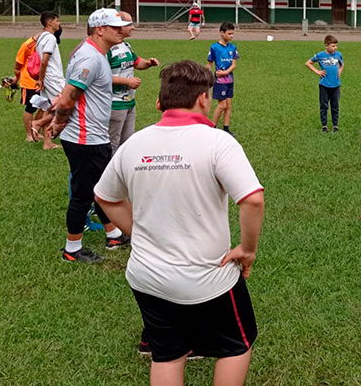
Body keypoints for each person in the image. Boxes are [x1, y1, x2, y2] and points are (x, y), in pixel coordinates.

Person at [94, 60, 265, 386]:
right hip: (207, 277)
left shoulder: (134, 144)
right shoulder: (217, 142)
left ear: (160, 102)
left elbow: (105, 197)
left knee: (167, 353)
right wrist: (247, 249)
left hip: (147, 278)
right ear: (203, 98)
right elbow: (252, 199)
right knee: (235, 346)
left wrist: (139, 234)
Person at [48, 8, 130, 264]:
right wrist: (58, 123)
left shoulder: (95, 54)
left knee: (101, 187)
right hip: (85, 139)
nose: (122, 31)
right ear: (99, 30)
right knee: (84, 194)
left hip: (93, 137)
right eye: (115, 27)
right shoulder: (90, 58)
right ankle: (72, 249)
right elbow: (68, 97)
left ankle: (114, 234)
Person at [108, 11, 160, 153]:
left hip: (130, 102)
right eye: (129, 24)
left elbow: (136, 62)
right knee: (112, 143)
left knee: (127, 143)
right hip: (114, 104)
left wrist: (148, 63)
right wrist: (126, 81)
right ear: (119, 26)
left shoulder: (126, 46)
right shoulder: (107, 49)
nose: (133, 27)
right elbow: (101, 77)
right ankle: (108, 167)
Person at [30, 11, 64, 150]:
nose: (59, 23)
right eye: (57, 20)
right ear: (50, 22)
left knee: (48, 107)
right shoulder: (50, 38)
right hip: (53, 77)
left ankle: (47, 143)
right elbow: (44, 60)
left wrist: (42, 79)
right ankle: (37, 123)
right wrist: (41, 79)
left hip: (48, 77)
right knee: (65, 103)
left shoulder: (41, 37)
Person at [306, 34, 344, 133]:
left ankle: (335, 125)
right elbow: (308, 63)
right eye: (333, 46)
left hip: (336, 85)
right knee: (324, 106)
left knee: (335, 106)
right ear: (326, 45)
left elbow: (342, 64)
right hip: (324, 85)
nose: (335, 48)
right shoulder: (320, 55)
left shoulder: (338, 54)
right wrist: (318, 72)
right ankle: (324, 126)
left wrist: (340, 71)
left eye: (336, 46)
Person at [207, 22, 238, 136]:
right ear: (222, 33)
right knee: (222, 105)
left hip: (229, 79)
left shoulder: (232, 47)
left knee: (228, 105)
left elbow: (234, 65)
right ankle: (212, 128)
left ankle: (226, 129)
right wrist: (208, 76)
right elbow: (209, 64)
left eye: (232, 34)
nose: (231, 36)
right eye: (229, 34)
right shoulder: (214, 47)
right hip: (220, 81)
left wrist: (225, 72)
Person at [14, 27, 43, 141]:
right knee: (30, 108)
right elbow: (18, 64)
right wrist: (16, 78)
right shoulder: (28, 45)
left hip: (42, 81)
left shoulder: (45, 43)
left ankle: (35, 129)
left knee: (44, 106)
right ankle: (29, 135)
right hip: (29, 82)